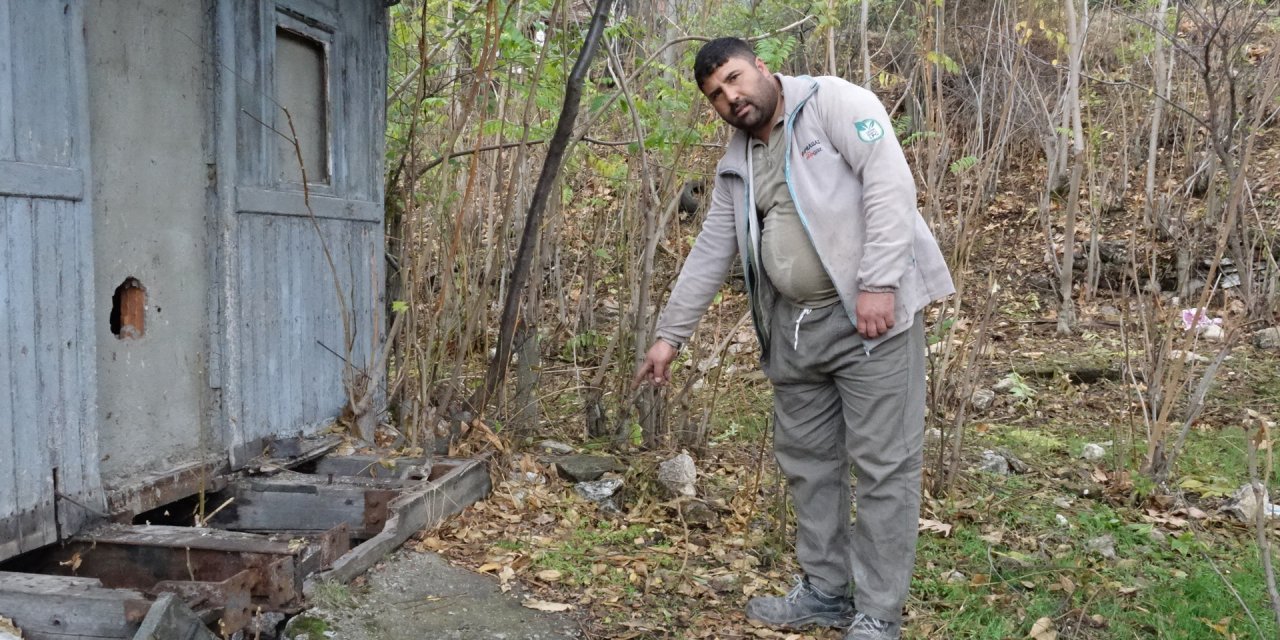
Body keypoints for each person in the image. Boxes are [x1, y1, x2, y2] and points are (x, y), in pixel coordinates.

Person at [633, 38, 954, 640]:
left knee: (884, 469)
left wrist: (879, 284)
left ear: (760, 65)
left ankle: (878, 615)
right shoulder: (738, 159)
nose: (731, 97)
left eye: (734, 78)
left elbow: (889, 183)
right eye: (717, 95)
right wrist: (669, 336)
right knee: (809, 465)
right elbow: (713, 248)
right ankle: (826, 593)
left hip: (870, 322)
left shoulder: (833, 102)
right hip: (795, 330)